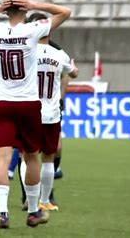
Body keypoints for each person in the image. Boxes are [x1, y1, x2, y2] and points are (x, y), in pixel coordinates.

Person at [0, 0, 71, 228]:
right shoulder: (33, 30)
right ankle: (33, 211)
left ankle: (3, 213)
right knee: (31, 156)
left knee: (2, 157)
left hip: (3, 102)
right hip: (28, 103)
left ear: (7, 11)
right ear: (25, 10)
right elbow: (65, 12)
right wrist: (36, 4)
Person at [19, 13, 79, 213]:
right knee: (48, 157)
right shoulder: (58, 54)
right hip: (51, 112)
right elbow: (73, 73)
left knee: (26, 156)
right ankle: (45, 200)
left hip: (28, 110)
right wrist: (73, 67)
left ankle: (29, 199)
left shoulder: (25, 51)